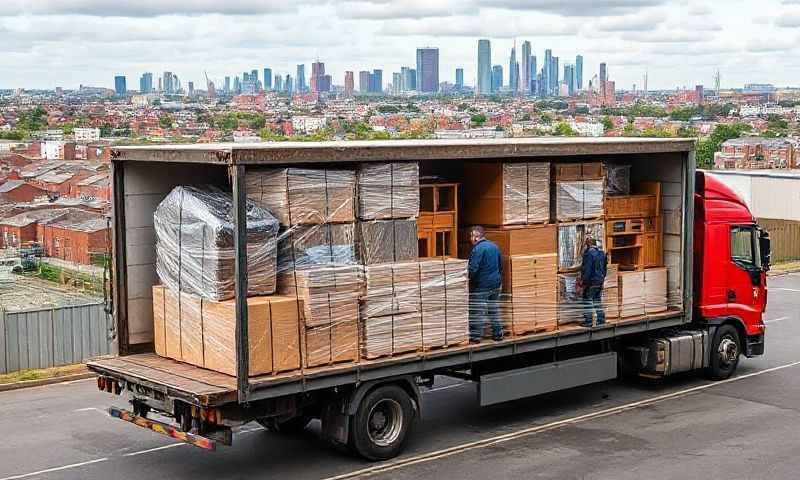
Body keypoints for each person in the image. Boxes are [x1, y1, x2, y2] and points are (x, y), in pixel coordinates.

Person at [467, 226, 503, 343]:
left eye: (471, 236)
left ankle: (476, 337)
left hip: (482, 285)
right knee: (494, 310)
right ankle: (498, 334)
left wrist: (467, 280)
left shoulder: (477, 249)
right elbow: (500, 265)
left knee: (477, 311)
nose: (470, 239)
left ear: (476, 237)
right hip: (496, 284)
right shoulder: (495, 246)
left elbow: (473, 269)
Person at [579, 236, 607, 328]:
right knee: (597, 300)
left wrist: (583, 281)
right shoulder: (602, 253)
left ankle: (589, 321)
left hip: (591, 281)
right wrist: (602, 279)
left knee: (587, 299)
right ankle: (601, 320)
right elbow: (604, 269)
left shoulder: (589, 254)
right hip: (600, 280)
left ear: (588, 245)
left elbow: (587, 269)